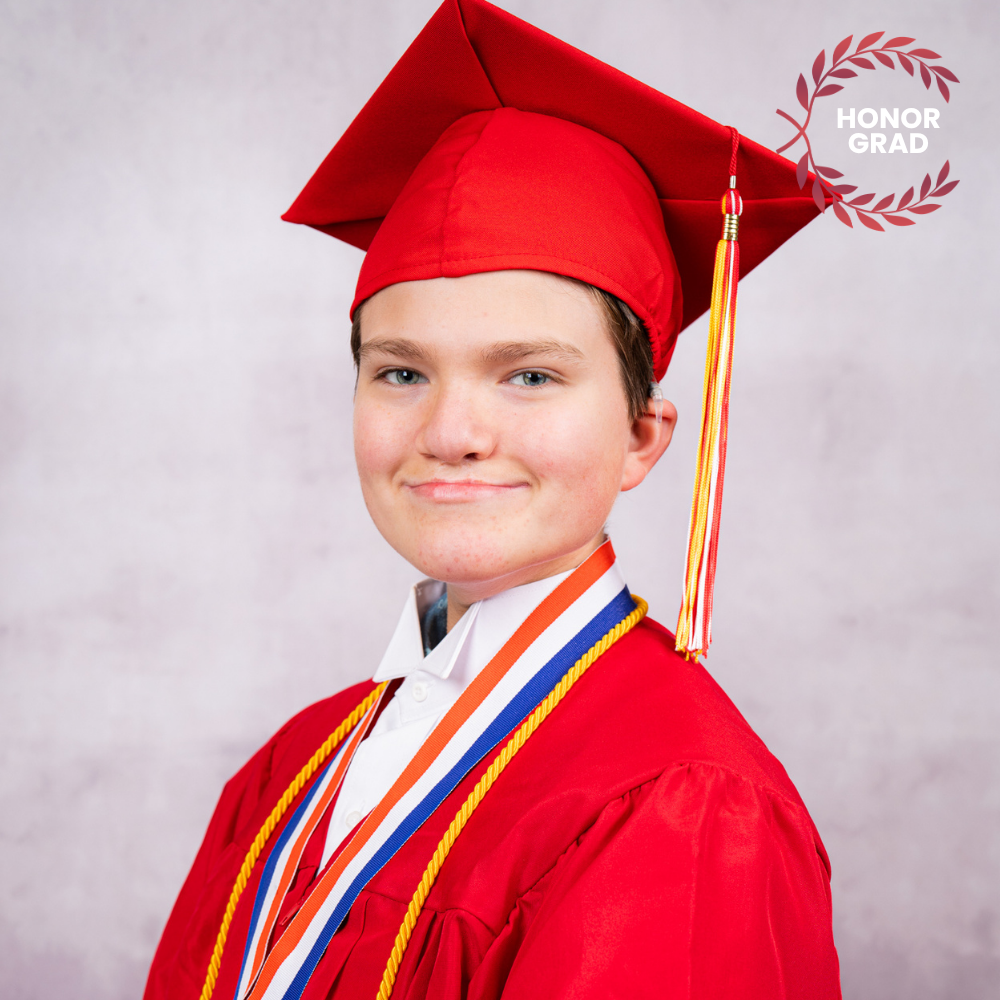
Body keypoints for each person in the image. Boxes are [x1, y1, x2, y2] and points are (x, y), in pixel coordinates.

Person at [144, 1, 842, 998]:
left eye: (529, 375)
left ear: (642, 437)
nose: (451, 431)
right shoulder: (292, 767)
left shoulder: (680, 800)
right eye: (400, 372)